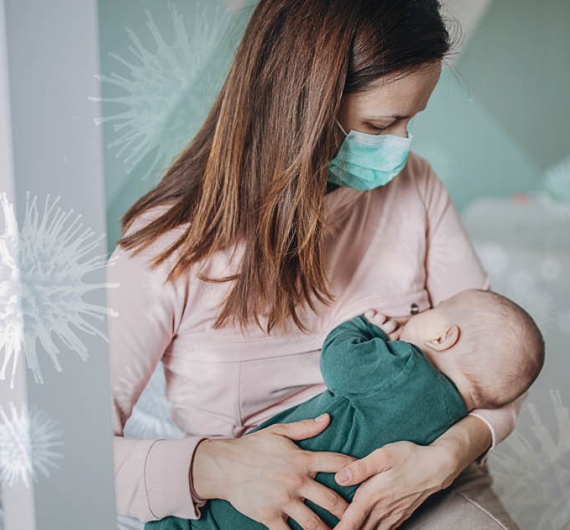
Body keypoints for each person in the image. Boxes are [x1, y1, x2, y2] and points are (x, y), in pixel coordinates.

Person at [109, 1, 527, 529]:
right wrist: (211, 468)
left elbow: (498, 365)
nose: (401, 147)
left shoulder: (415, 188)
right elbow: (73, 454)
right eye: (382, 123)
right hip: (259, 511)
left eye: (411, 121)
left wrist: (442, 460)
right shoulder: (170, 244)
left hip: (425, 484)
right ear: (299, 106)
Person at [146, 289, 545, 530]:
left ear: (444, 336)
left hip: (269, 487)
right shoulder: (453, 418)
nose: (416, 314)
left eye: (428, 309)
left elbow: (338, 362)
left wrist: (363, 328)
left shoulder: (405, 366)